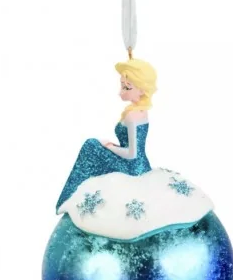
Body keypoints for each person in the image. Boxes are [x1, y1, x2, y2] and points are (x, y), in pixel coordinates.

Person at [55, 58, 157, 214]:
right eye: (122, 86)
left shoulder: (133, 116)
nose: (121, 92)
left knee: (91, 146)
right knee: (94, 145)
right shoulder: (139, 111)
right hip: (137, 164)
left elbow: (132, 153)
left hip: (132, 167)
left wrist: (110, 147)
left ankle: (71, 196)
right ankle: (73, 195)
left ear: (142, 90)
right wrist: (112, 147)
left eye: (127, 87)